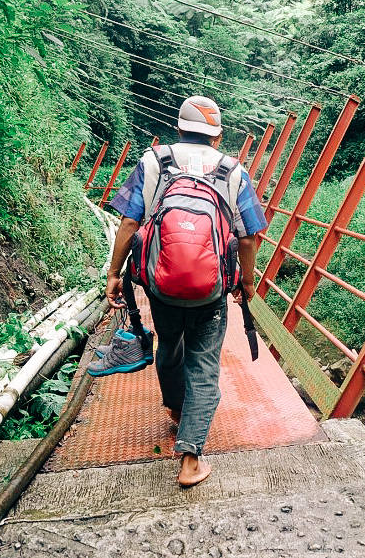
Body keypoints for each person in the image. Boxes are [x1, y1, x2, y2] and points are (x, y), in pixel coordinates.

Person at [102, 96, 267, 487]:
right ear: (219, 135)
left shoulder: (154, 161)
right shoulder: (232, 171)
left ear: (178, 129)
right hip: (211, 293)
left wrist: (114, 273)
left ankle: (177, 409)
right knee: (204, 365)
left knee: (169, 347)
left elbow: (128, 222)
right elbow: (248, 238)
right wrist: (246, 282)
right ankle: (191, 458)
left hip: (162, 289)